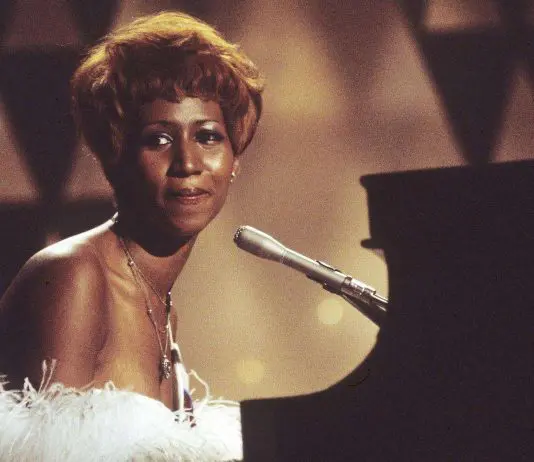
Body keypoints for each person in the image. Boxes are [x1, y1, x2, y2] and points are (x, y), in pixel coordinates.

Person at [0, 11, 263, 460]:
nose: (188, 163)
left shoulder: (162, 308)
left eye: (207, 136)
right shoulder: (72, 277)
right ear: (114, 156)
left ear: (234, 159)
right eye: (158, 140)